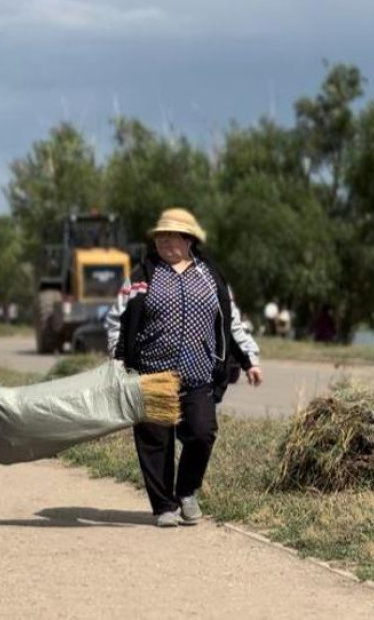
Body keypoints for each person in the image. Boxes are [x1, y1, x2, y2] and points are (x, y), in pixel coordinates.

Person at [105, 208, 263, 528]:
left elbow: (231, 321)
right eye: (160, 236)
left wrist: (250, 360)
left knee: (202, 433)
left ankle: (187, 490)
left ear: (189, 239)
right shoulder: (142, 275)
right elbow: (116, 320)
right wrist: (117, 360)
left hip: (199, 373)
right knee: (155, 440)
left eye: (172, 235)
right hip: (152, 373)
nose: (165, 241)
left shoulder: (211, 276)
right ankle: (164, 505)